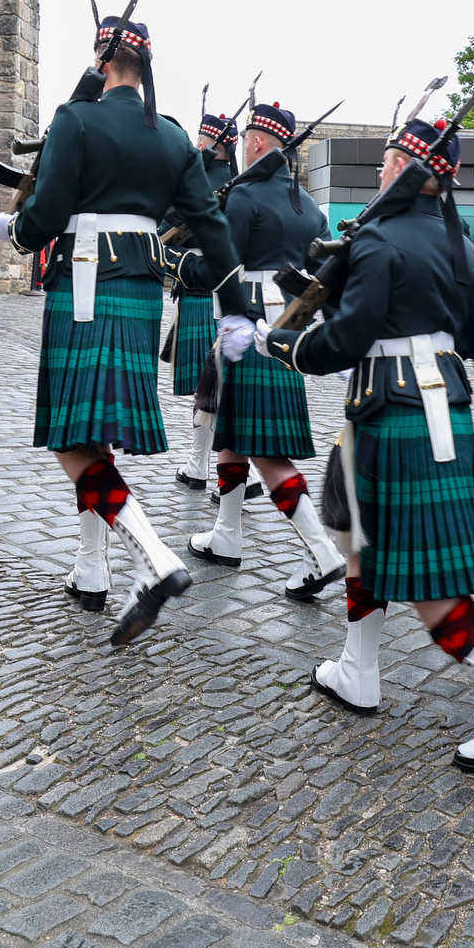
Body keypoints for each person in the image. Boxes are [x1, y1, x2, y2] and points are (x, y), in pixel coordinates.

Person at [271, 112, 474, 770]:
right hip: (446, 415)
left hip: (393, 417)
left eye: (387, 159)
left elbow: (343, 341)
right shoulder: (465, 248)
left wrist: (282, 344)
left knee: (430, 584)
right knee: (365, 546)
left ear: (405, 166)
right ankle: (358, 667)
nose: (378, 171)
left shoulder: (379, 241)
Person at [9, 13, 238, 645]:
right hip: (139, 289)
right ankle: (92, 567)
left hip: (85, 280)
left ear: (101, 62)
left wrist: (19, 229)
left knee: (70, 437)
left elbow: (48, 211)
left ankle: (152, 557)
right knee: (94, 433)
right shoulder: (171, 137)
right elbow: (211, 226)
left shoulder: (74, 120)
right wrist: (239, 301)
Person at [191, 102, 345, 599]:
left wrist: (176, 264)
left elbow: (223, 263)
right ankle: (227, 533)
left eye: (245, 139)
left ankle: (322, 551)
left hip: (246, 321)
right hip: (288, 326)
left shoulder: (245, 196)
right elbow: (324, 277)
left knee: (268, 453)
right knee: (235, 434)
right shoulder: (311, 206)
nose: (240, 146)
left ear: (258, 142)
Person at [171, 107, 240, 489]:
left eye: (203, 138)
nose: (198, 144)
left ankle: (199, 465)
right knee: (217, 385)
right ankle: (210, 464)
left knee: (208, 387)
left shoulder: (203, 178)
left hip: (200, 286)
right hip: (223, 291)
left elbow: (169, 212)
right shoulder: (238, 181)